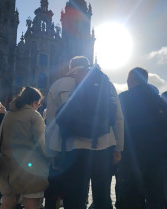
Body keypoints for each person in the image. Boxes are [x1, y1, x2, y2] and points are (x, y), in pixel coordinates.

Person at [46, 56, 124, 209]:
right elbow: (118, 118)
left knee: (75, 198)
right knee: (102, 197)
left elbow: (52, 124)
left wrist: (52, 152)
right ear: (88, 66)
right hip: (104, 146)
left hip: (72, 149)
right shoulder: (105, 83)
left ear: (71, 67)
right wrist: (118, 148)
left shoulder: (58, 85)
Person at [117, 67, 165, 209]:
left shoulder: (124, 97)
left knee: (131, 194)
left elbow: (117, 122)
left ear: (131, 78)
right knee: (155, 193)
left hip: (130, 152)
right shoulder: (158, 98)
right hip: (155, 152)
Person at [0, 87, 48, 209]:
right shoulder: (34, 116)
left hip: (8, 166)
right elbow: (41, 144)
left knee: (7, 203)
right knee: (31, 204)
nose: (39, 106)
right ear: (33, 102)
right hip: (30, 168)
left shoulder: (9, 114)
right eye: (38, 103)